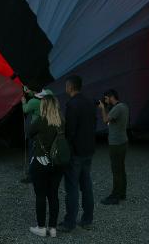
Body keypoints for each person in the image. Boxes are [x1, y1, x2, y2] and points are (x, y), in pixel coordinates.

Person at [59, 75, 96, 232]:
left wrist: (66, 151)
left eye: (66, 86)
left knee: (72, 187)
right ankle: (87, 219)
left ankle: (70, 222)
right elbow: (94, 124)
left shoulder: (72, 105)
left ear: (70, 86)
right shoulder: (89, 102)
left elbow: (70, 132)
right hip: (88, 150)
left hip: (75, 153)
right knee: (86, 185)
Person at [28, 94, 64, 238]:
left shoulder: (40, 121)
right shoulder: (62, 121)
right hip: (58, 162)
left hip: (41, 162)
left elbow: (29, 133)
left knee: (41, 195)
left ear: (44, 106)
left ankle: (41, 228)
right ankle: (53, 228)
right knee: (54, 195)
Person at [98, 89, 129, 205]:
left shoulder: (117, 108)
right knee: (121, 169)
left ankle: (115, 196)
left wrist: (102, 109)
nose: (105, 101)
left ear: (111, 97)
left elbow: (106, 120)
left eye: (106, 98)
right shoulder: (124, 106)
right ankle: (122, 193)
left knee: (116, 170)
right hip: (122, 141)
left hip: (116, 143)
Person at [20, 87, 47, 183]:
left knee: (33, 152)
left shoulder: (33, 102)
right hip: (46, 128)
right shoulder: (47, 96)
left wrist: (23, 101)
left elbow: (25, 110)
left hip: (35, 129)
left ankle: (32, 175)